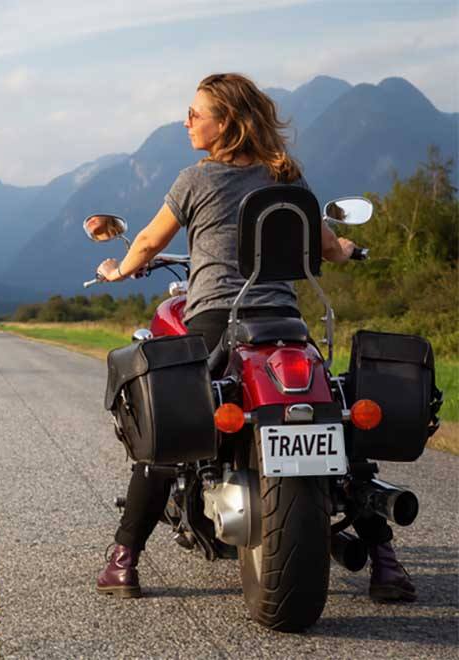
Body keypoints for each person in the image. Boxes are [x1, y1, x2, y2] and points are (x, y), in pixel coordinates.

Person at [93, 73, 415, 603]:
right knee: (335, 427)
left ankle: (124, 562)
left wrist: (116, 271)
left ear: (227, 123)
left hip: (217, 320)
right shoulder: (286, 177)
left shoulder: (196, 179)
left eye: (196, 113)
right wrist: (351, 249)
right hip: (286, 325)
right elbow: (329, 247)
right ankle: (385, 561)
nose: (187, 120)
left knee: (174, 429)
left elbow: (149, 241)